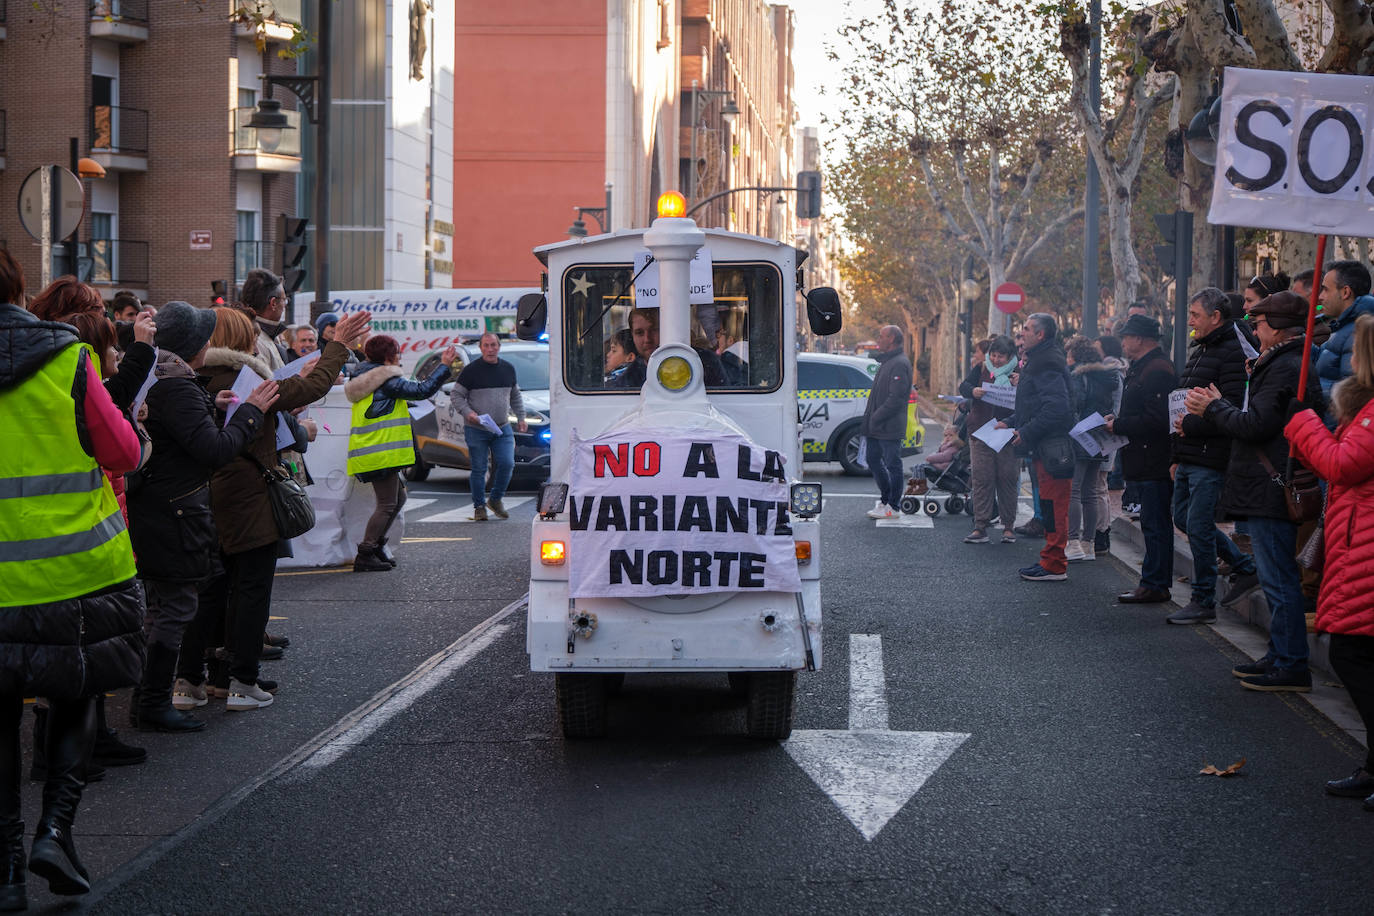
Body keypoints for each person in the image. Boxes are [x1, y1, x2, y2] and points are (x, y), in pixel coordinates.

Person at [0, 250, 146, 901]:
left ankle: (5, 868)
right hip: (81, 571)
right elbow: (121, 451)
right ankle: (54, 832)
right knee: (75, 693)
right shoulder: (67, 357)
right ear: (16, 284)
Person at [201, 308, 371, 710]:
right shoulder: (248, 381)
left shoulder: (196, 380)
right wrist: (338, 346)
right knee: (251, 590)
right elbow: (310, 388)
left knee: (217, 590)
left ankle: (213, 678)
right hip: (248, 498)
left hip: (207, 499)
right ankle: (244, 679)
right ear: (242, 340)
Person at [125, 303, 278, 731]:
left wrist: (212, 402)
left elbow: (176, 428)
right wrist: (250, 412)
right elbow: (214, 451)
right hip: (175, 511)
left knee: (161, 607)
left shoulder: (162, 380)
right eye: (205, 338)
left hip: (156, 509)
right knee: (175, 607)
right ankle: (153, 702)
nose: (210, 343)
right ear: (193, 346)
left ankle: (150, 697)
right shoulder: (177, 388)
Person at [1186, 291, 1325, 690]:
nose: (1252, 328)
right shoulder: (1279, 362)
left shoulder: (1286, 366)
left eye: (1259, 322)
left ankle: (1291, 663)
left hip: (1271, 484)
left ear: (1277, 327)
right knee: (1274, 575)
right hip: (1262, 483)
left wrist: (1213, 407)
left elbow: (1256, 425)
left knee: (1279, 579)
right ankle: (1281, 654)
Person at [1284, 313, 1374, 805]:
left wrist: (1303, 424)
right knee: (1353, 651)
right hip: (1357, 547)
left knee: (1352, 653)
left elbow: (1342, 465)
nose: (1350, 359)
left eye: (1358, 351)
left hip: (1366, 549)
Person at [1168, 287, 1259, 623]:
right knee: (1183, 519)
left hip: (1211, 454)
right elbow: (1183, 404)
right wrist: (1176, 455)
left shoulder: (1233, 352)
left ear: (1215, 317)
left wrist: (1191, 427)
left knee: (1199, 524)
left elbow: (1230, 408)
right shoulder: (1201, 350)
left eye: (1195, 315)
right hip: (1189, 453)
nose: (1190, 321)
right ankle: (1245, 566)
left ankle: (1203, 599)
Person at [345, 335, 457, 570]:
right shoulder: (385, 379)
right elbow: (422, 390)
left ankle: (375, 547)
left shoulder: (366, 376)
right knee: (386, 504)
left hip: (377, 451)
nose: (399, 355)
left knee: (399, 499)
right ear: (387, 356)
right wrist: (444, 365)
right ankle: (365, 553)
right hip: (380, 452)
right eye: (396, 351)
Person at [1107, 315, 1178, 604]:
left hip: (1154, 459)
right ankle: (1152, 581)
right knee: (1151, 523)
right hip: (1143, 458)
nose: (1122, 343)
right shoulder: (1143, 368)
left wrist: (1119, 426)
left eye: (1126, 336)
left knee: (1157, 524)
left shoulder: (1158, 369)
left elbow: (1157, 419)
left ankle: (1156, 583)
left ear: (1140, 338)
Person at [1001, 313, 1073, 580]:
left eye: (1027, 329)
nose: (1022, 334)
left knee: (1054, 506)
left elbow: (1057, 407)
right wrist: (1009, 422)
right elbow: (1033, 405)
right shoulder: (1040, 359)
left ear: (1040, 335)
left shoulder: (1045, 363)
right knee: (1049, 505)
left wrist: (1026, 431)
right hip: (1044, 446)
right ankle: (1050, 560)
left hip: (1053, 447)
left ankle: (1055, 564)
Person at [451, 332, 528, 521]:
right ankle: (479, 506)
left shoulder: (508, 369)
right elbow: (456, 396)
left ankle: (495, 499)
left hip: (501, 427)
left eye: (493, 345)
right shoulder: (471, 371)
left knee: (507, 463)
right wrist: (468, 413)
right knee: (479, 468)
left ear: (499, 347)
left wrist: (521, 417)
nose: (490, 349)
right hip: (476, 428)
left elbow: (515, 395)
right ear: (481, 348)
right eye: (486, 345)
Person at [1064, 336, 1121, 562]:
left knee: (1074, 491)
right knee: (1090, 492)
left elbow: (1073, 407)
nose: (1067, 360)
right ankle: (1088, 544)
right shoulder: (1105, 377)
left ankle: (1073, 542)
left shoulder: (1077, 377)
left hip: (1078, 437)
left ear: (1075, 356)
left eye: (1068, 355)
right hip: (1098, 438)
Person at [963, 334, 1019, 544]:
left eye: (1001, 356)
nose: (996, 360)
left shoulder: (1019, 373)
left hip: (1008, 433)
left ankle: (1008, 526)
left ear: (1010, 356)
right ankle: (980, 526)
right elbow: (964, 387)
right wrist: (973, 391)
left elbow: (1029, 398)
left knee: (1007, 478)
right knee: (982, 479)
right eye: (993, 355)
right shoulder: (981, 368)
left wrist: (1019, 384)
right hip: (980, 431)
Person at [861, 325, 913, 521]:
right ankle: (885, 500)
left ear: (891, 339)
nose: (878, 339)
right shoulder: (887, 361)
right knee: (873, 459)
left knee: (893, 464)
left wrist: (877, 416)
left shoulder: (899, 363)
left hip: (888, 425)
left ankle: (893, 505)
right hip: (877, 426)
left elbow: (896, 398)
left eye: (881, 336)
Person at [1316, 259, 1374, 398]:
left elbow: (1351, 398)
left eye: (1325, 289)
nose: (1320, 297)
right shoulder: (1343, 328)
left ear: (1345, 292)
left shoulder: (1357, 333)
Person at [236, 267, 290, 372]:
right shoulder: (256, 340)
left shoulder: (263, 334)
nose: (285, 306)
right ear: (273, 303)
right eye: (284, 300)